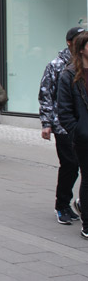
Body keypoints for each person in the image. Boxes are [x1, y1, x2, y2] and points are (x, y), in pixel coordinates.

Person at [40, 26, 83, 225]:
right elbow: (46, 94)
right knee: (70, 165)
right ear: (70, 42)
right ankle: (62, 205)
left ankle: (81, 202)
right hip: (63, 124)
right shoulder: (57, 65)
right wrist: (46, 123)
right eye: (79, 39)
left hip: (83, 123)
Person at [57, 30, 88, 239]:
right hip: (84, 137)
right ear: (81, 48)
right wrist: (79, 131)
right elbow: (64, 110)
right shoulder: (68, 74)